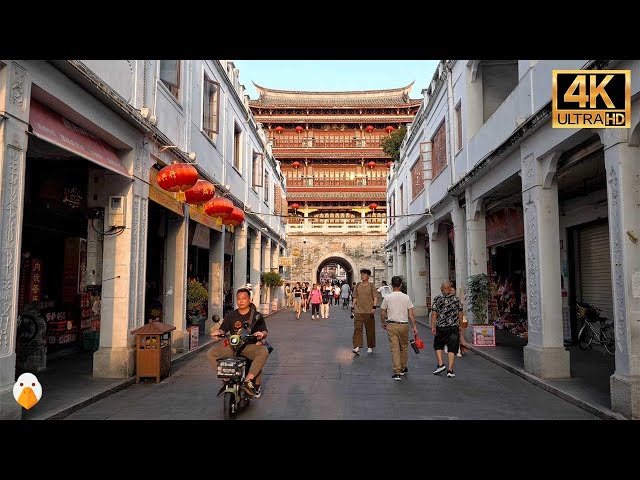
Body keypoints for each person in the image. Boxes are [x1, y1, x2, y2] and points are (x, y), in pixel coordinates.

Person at [207, 286, 270, 397]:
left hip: (249, 347)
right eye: (238, 299)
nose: (241, 301)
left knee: (263, 351)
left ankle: (248, 380)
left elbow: (265, 331)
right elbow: (223, 328)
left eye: (244, 298)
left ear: (249, 300)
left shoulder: (256, 315)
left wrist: (261, 334)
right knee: (211, 353)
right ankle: (226, 379)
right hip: (232, 347)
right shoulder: (231, 315)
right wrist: (218, 332)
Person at [380, 276, 418, 380]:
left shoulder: (387, 297)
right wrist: (414, 326)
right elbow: (411, 314)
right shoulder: (406, 297)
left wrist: (383, 322)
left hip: (392, 325)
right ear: (400, 285)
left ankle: (397, 371)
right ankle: (403, 367)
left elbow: (382, 312)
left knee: (394, 348)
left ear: (391, 285)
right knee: (404, 347)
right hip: (404, 325)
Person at [431, 280, 463, 378]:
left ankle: (441, 364)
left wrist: (433, 326)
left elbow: (434, 314)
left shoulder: (437, 299)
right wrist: (460, 325)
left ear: (441, 289)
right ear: (450, 289)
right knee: (452, 348)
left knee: (438, 345)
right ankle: (450, 370)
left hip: (441, 327)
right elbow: (460, 313)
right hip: (453, 327)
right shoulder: (456, 299)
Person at [351, 268, 378, 355]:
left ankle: (370, 346)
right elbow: (355, 297)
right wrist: (353, 306)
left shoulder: (371, 286)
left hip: (369, 311)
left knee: (370, 330)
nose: (362, 276)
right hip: (358, 311)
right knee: (357, 329)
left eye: (364, 274)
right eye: (362, 274)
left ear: (368, 276)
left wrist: (374, 307)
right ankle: (357, 347)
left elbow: (375, 297)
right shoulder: (357, 285)